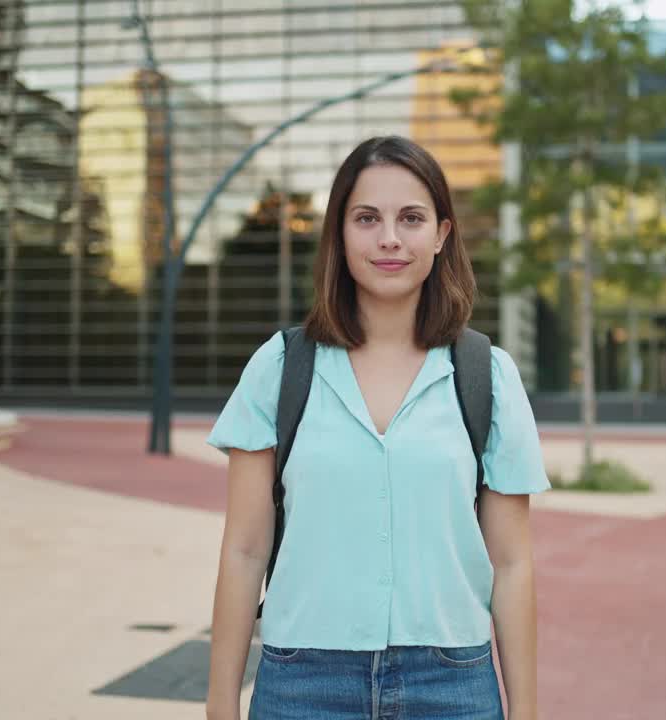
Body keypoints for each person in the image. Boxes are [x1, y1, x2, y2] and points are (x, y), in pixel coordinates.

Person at [205, 136, 549, 720]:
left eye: (411, 218)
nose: (390, 237)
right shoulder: (281, 368)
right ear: (339, 233)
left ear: (441, 235)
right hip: (302, 684)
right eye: (367, 218)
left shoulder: (487, 376)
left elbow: (511, 564)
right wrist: (220, 704)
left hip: (453, 687)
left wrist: (527, 712)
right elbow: (243, 550)